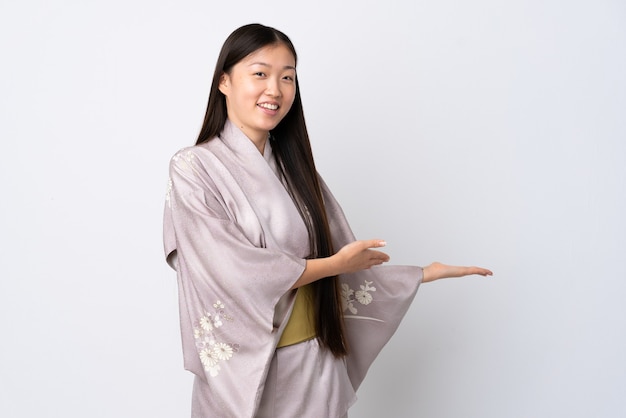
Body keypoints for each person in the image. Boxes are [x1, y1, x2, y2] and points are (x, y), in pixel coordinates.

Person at [163, 23, 492, 418]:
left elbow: (346, 260)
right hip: (250, 372)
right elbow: (229, 269)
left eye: (288, 78)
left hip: (315, 363)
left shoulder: (297, 171)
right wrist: (334, 266)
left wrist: (421, 273)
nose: (275, 90)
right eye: (260, 74)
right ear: (224, 82)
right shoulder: (193, 167)